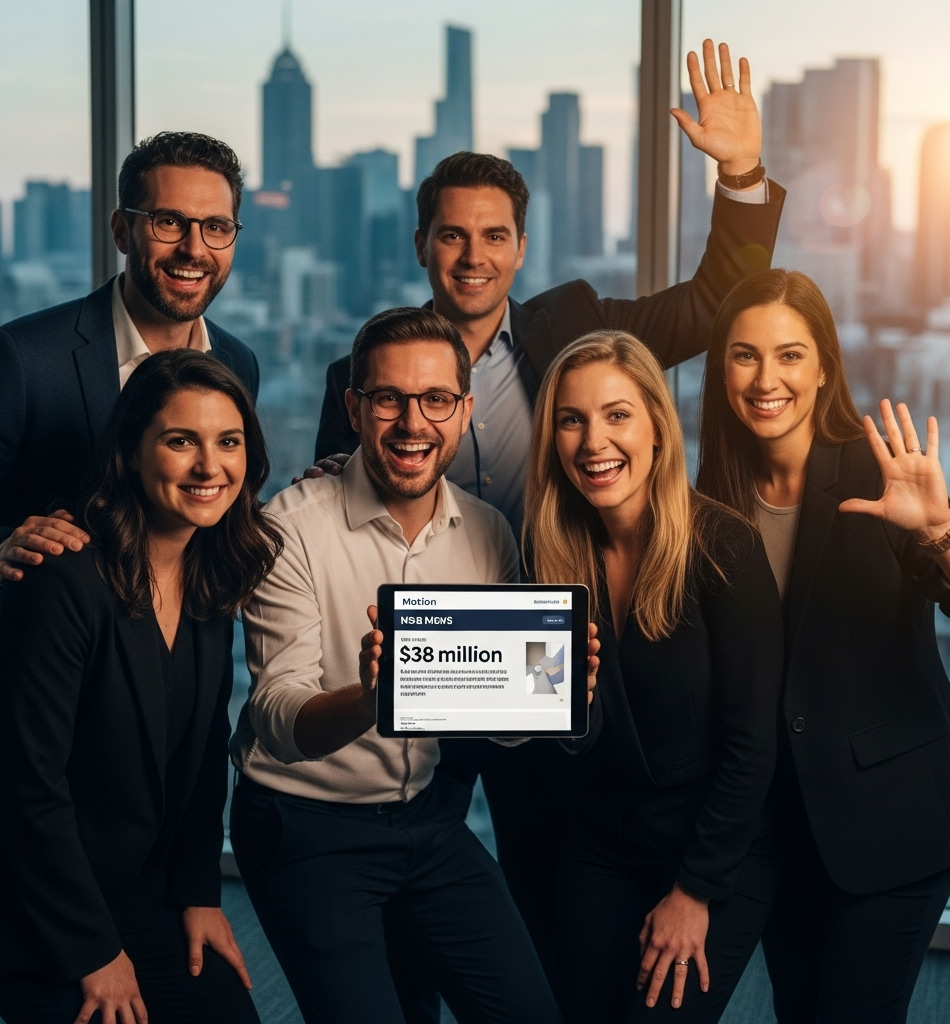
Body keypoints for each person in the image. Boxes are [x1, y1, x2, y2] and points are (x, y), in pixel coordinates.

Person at [307, 39, 786, 975]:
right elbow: (339, 513)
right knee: (410, 893)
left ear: (520, 247)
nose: (472, 256)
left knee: (542, 899)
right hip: (431, 647)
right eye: (451, 235)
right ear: (421, 247)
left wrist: (739, 174)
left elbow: (711, 302)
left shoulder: (574, 326)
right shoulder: (359, 376)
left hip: (546, 651)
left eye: (493, 237)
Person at [228, 306, 599, 1024]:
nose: (412, 422)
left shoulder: (489, 534)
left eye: (435, 400)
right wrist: (370, 698)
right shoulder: (287, 529)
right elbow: (275, 720)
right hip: (307, 829)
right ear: (355, 409)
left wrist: (550, 701)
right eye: (388, 399)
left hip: (425, 822)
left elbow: (503, 728)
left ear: (462, 413)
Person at [0, 350, 281, 1024]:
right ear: (130, 451)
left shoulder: (210, 571)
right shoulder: (61, 579)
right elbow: (26, 785)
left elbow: (201, 743)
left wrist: (199, 893)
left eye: (228, 442)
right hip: (13, 881)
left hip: (128, 874)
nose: (209, 466)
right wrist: (92, 951)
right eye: (181, 441)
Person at [695, 268, 950, 1024]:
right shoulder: (709, 496)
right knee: (801, 1009)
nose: (765, 377)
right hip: (781, 825)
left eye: (789, 355)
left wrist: (942, 531)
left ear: (822, 369)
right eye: (745, 355)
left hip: (893, 818)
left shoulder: (879, 475)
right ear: (723, 370)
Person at [0, 130, 259, 759]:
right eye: (169, 222)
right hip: (25, 712)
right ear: (122, 230)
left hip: (160, 711)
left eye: (216, 227)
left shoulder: (236, 363)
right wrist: (0, 549)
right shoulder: (22, 359)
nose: (193, 249)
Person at [522, 331, 783, 1022]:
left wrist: (694, 892)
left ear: (658, 430)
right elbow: (569, 749)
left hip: (714, 851)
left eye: (616, 414)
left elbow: (752, 744)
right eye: (571, 420)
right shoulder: (545, 555)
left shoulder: (725, 546)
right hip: (603, 842)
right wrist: (562, 716)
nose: (592, 441)